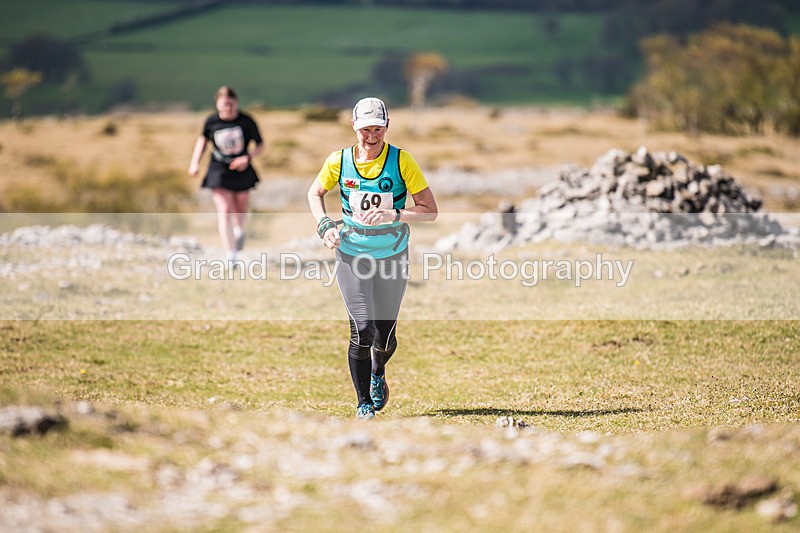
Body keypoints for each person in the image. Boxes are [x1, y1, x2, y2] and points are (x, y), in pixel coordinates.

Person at [308, 97, 438, 420]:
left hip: (392, 256)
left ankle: (378, 370)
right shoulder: (338, 161)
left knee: (384, 335)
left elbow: (430, 211)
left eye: (377, 129)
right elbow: (315, 193)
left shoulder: (402, 161)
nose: (371, 136)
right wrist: (324, 225)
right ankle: (363, 402)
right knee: (361, 330)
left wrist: (394, 214)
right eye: (365, 129)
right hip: (351, 254)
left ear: (387, 127)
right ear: (354, 127)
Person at [188, 86, 264, 262]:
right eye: (223, 104)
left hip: (242, 169)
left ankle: (238, 231)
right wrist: (194, 163)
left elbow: (260, 144)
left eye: (230, 104)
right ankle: (231, 254)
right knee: (225, 210)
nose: (227, 108)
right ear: (217, 104)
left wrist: (247, 158)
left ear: (235, 103)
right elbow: (203, 140)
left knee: (241, 209)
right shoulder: (211, 121)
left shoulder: (246, 121)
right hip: (218, 169)